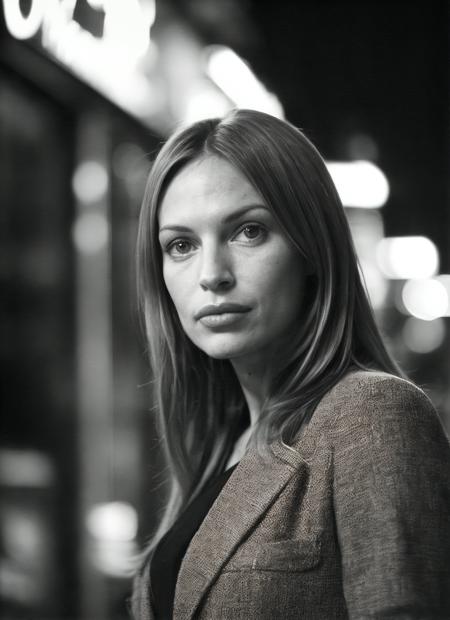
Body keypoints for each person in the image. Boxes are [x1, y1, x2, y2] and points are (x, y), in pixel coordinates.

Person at [131, 109, 450, 619]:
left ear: (312, 250)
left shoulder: (371, 413)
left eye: (249, 231)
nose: (212, 274)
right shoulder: (221, 442)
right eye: (182, 245)